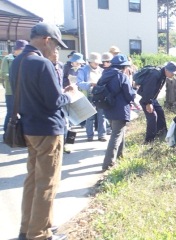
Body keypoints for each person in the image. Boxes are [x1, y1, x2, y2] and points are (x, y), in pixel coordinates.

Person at [10, 22, 77, 240]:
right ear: (47, 40)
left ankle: (28, 227)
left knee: (32, 180)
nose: (56, 50)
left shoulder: (18, 61)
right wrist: (70, 93)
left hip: (28, 128)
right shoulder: (42, 63)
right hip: (48, 130)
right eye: (56, 45)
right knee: (47, 184)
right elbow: (54, 101)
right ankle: (40, 234)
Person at [97, 54, 136, 171]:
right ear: (123, 67)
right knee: (116, 135)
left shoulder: (104, 74)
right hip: (120, 109)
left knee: (119, 132)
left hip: (108, 108)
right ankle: (108, 163)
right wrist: (135, 90)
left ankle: (120, 156)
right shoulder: (121, 76)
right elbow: (129, 95)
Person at [138, 61, 176, 143]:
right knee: (152, 117)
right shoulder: (155, 75)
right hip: (145, 98)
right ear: (167, 70)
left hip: (152, 99)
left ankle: (162, 134)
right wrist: (148, 103)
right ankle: (149, 140)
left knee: (160, 112)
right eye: (172, 72)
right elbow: (147, 89)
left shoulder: (162, 74)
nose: (173, 74)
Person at [77, 52, 108, 141]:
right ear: (90, 62)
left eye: (98, 62)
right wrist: (90, 84)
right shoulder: (83, 70)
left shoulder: (102, 71)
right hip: (89, 95)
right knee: (89, 116)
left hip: (100, 95)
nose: (97, 64)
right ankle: (89, 135)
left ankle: (102, 135)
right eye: (95, 62)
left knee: (101, 116)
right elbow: (79, 83)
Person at [0, 39, 28, 140]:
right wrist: (17, 77)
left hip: (24, 91)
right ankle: (7, 134)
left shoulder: (26, 58)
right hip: (11, 90)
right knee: (11, 112)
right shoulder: (7, 58)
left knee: (24, 112)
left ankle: (20, 134)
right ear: (17, 49)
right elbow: (3, 74)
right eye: (23, 49)